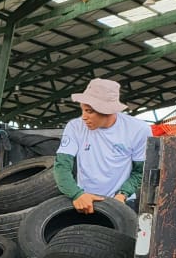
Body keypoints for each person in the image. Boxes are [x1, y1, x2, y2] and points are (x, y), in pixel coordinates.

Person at [54, 78, 149, 213]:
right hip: (85, 202)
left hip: (122, 201)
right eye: (82, 110)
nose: (83, 117)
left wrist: (123, 194)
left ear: (108, 111)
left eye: (89, 111)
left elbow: (140, 171)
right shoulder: (74, 127)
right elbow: (62, 166)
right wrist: (76, 194)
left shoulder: (138, 129)